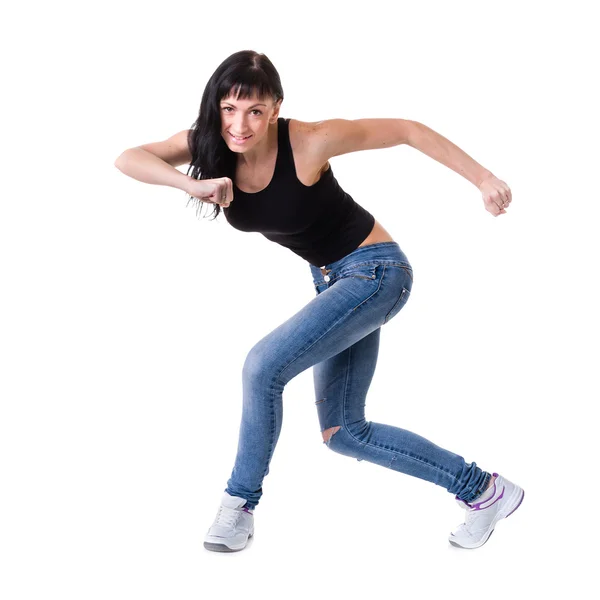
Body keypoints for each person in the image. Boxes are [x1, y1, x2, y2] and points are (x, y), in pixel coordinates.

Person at [114, 49, 524, 553]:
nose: (240, 125)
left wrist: (484, 179)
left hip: (375, 272)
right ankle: (484, 491)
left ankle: (237, 505)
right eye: (228, 109)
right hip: (332, 282)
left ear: (276, 109)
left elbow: (407, 129)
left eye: (255, 111)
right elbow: (128, 158)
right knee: (344, 433)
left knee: (262, 368)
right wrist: (191, 182)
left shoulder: (308, 141)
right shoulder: (209, 142)